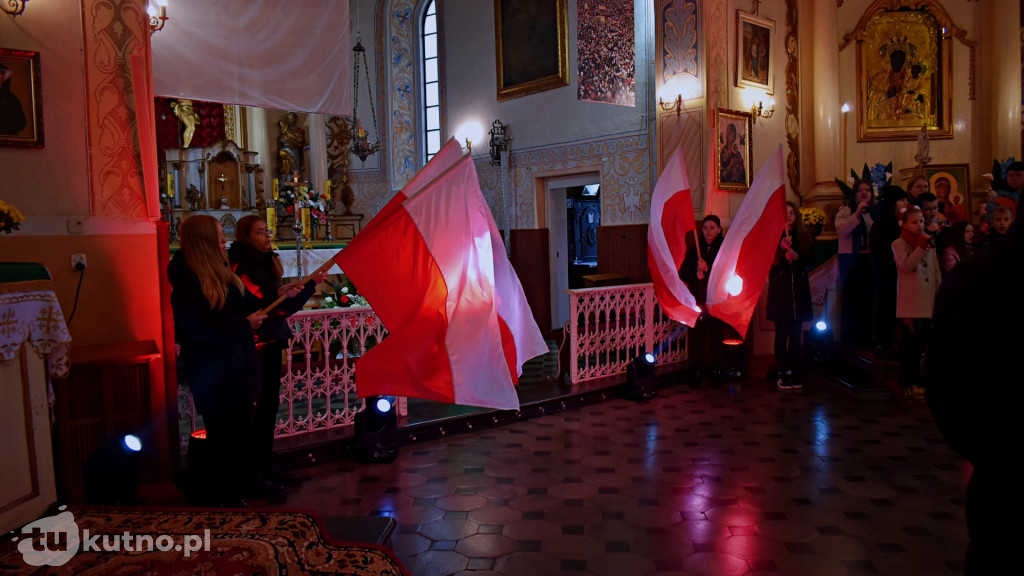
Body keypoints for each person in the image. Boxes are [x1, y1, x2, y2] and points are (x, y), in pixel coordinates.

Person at [926, 219, 1022, 575]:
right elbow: (943, 379)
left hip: (998, 469)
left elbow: (942, 382)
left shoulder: (975, 275)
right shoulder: (981, 276)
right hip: (1002, 471)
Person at [168, 215, 266, 507]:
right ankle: (219, 498)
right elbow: (199, 327)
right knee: (224, 438)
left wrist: (289, 294)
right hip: (215, 375)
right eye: (219, 236)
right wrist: (243, 326)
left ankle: (233, 495)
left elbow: (252, 305)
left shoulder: (225, 274)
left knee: (237, 436)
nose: (225, 241)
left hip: (238, 369)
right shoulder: (187, 280)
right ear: (204, 242)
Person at [228, 215, 327, 488]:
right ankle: (254, 471)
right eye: (260, 232)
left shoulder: (261, 262)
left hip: (270, 342)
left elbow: (277, 301)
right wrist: (305, 288)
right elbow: (272, 307)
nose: (267, 235)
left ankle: (266, 464)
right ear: (246, 237)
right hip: (256, 345)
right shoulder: (244, 266)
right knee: (259, 410)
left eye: (266, 230)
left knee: (270, 406)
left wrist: (298, 289)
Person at [891, 206, 940, 402]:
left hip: (927, 301)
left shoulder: (929, 242)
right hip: (911, 303)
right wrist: (921, 246)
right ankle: (908, 381)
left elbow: (935, 270)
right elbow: (907, 266)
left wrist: (939, 291)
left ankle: (920, 380)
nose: (919, 225)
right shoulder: (898, 244)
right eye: (914, 222)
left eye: (921, 221)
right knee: (910, 345)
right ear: (904, 224)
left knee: (923, 344)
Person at [766, 202, 813, 390]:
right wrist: (780, 248)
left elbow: (810, 261)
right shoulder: (773, 236)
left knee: (795, 333)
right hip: (781, 291)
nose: (788, 215)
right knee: (781, 333)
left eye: (791, 212)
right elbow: (770, 261)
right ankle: (782, 369)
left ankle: (793, 370)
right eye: (784, 212)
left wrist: (797, 256)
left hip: (798, 290)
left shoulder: (805, 237)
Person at [679, 215, 730, 387]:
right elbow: (684, 273)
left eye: (712, 227)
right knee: (697, 337)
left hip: (716, 301)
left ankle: (717, 370)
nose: (708, 231)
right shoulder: (695, 250)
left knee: (716, 336)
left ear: (719, 229)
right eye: (705, 228)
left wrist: (708, 271)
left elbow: (726, 272)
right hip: (698, 300)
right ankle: (696, 370)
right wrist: (696, 275)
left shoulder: (724, 249)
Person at [867, 184, 908, 358]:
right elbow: (880, 249)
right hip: (887, 271)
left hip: (893, 270)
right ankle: (882, 343)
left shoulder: (891, 220)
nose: (905, 203)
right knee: (886, 307)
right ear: (892, 202)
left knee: (890, 307)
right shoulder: (884, 222)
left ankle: (887, 341)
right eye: (901, 199)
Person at [834, 179, 874, 349]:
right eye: (860, 190)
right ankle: (849, 340)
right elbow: (842, 230)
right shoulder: (845, 211)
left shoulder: (875, 212)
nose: (864, 193)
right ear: (854, 193)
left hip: (868, 257)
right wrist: (857, 214)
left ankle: (867, 339)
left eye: (867, 190)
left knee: (868, 299)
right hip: (850, 257)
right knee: (851, 300)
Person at [0, 63, 27, 136]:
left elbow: (21, 122)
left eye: (2, 73)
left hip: (9, 137)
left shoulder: (11, 98)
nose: (0, 76)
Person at [277, 112, 306, 176]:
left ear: (295, 120)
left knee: (295, 167)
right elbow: (280, 140)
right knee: (284, 157)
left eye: (292, 119)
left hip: (294, 150)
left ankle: (294, 178)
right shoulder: (286, 131)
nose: (290, 121)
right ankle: (286, 177)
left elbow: (301, 143)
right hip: (286, 149)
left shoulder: (299, 131)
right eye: (289, 119)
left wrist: (293, 141)